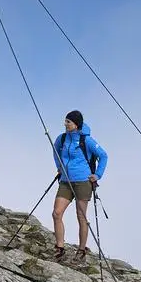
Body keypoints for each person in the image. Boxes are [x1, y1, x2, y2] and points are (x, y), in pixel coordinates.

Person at [50, 110, 108, 262]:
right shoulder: (61, 139)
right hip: (65, 181)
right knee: (57, 213)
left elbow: (103, 155)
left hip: (83, 181)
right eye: (65, 121)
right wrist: (59, 166)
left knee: (81, 216)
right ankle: (60, 248)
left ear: (76, 124)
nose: (65, 124)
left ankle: (81, 250)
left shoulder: (86, 140)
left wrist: (98, 175)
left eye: (68, 122)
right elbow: (56, 152)